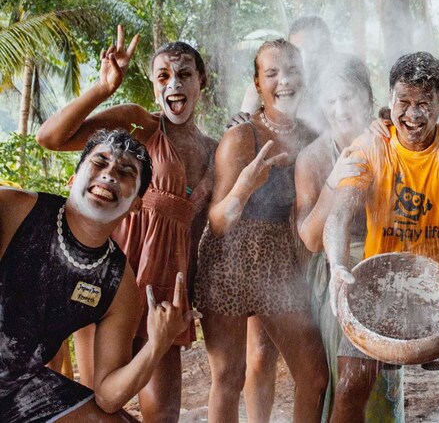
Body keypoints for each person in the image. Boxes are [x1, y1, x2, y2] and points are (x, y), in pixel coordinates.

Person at [36, 27, 216, 422]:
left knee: (163, 414)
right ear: (154, 87)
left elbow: (199, 232)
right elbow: (49, 138)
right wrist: (103, 88)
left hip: (166, 292)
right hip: (109, 280)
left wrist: (190, 305)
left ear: (202, 81)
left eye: (185, 74)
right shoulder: (139, 125)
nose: (174, 83)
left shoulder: (214, 151)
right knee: (94, 404)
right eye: (163, 76)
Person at [324, 51, 439, 423]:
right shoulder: (371, 146)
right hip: (377, 287)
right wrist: (338, 266)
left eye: (424, 104)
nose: (413, 115)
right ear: (390, 100)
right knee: (350, 389)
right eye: (404, 102)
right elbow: (339, 214)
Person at [0, 129, 198, 422]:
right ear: (73, 178)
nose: (110, 174)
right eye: (99, 162)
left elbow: (107, 396)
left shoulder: (118, 285)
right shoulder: (12, 209)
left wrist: (157, 345)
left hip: (20, 387)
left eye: (126, 171)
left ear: (135, 205)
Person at [195, 39, 328, 423]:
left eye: (292, 71)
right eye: (272, 73)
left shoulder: (310, 134)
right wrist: (245, 186)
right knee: (228, 376)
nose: (284, 80)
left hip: (279, 262)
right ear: (257, 84)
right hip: (228, 261)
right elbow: (217, 222)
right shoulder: (241, 137)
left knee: (314, 375)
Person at [295, 54, 404, 421]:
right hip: (338, 272)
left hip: (388, 268)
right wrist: (335, 178)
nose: (341, 109)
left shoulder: (392, 139)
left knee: (383, 384)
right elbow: (310, 238)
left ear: (369, 98)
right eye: (331, 100)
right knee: (348, 383)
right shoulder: (313, 158)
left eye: (349, 97)